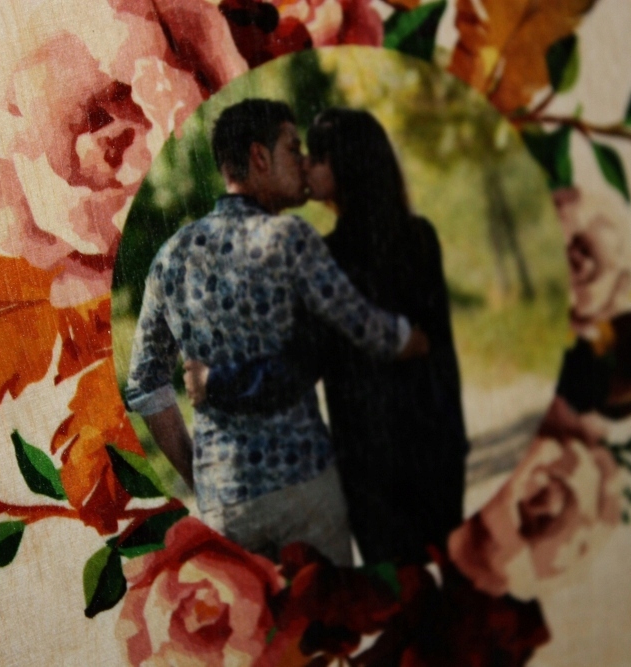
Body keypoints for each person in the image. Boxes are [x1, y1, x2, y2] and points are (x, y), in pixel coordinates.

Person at [124, 100, 428, 565]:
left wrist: (200, 480)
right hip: (304, 487)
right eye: (293, 148)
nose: (302, 161)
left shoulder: (171, 257)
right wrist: (417, 339)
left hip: (226, 505)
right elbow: (367, 331)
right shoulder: (289, 238)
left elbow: (145, 385)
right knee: (327, 609)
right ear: (259, 158)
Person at [187, 109, 469, 565]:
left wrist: (213, 382)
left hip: (373, 465)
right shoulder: (419, 237)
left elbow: (299, 365)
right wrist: (456, 441)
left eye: (316, 157)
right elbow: (440, 355)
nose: (304, 164)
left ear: (347, 166)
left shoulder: (328, 256)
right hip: (436, 447)